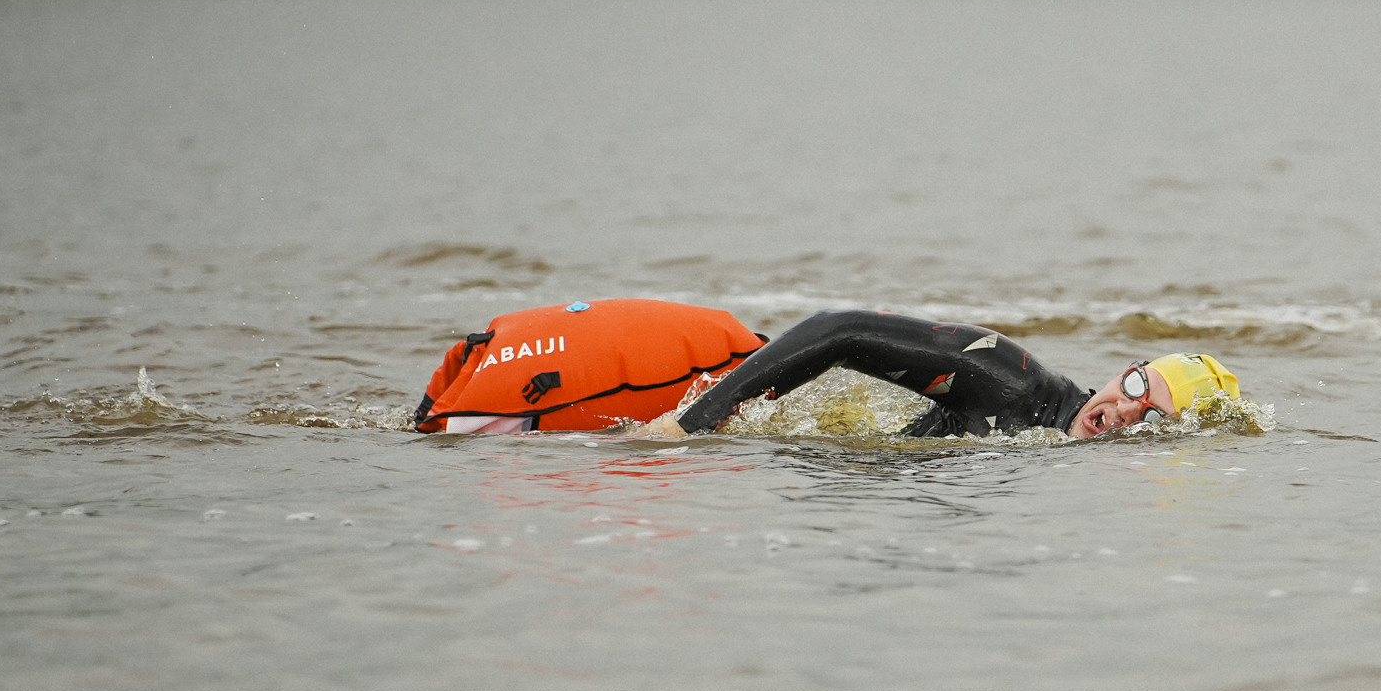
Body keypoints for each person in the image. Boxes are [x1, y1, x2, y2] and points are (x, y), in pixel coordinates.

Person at [413, 298, 1239, 441]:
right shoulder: (1015, 382)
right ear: (1122, 370)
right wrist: (695, 422)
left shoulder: (1055, 445)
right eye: (1137, 385)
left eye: (1152, 417)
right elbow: (839, 329)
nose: (1126, 411)